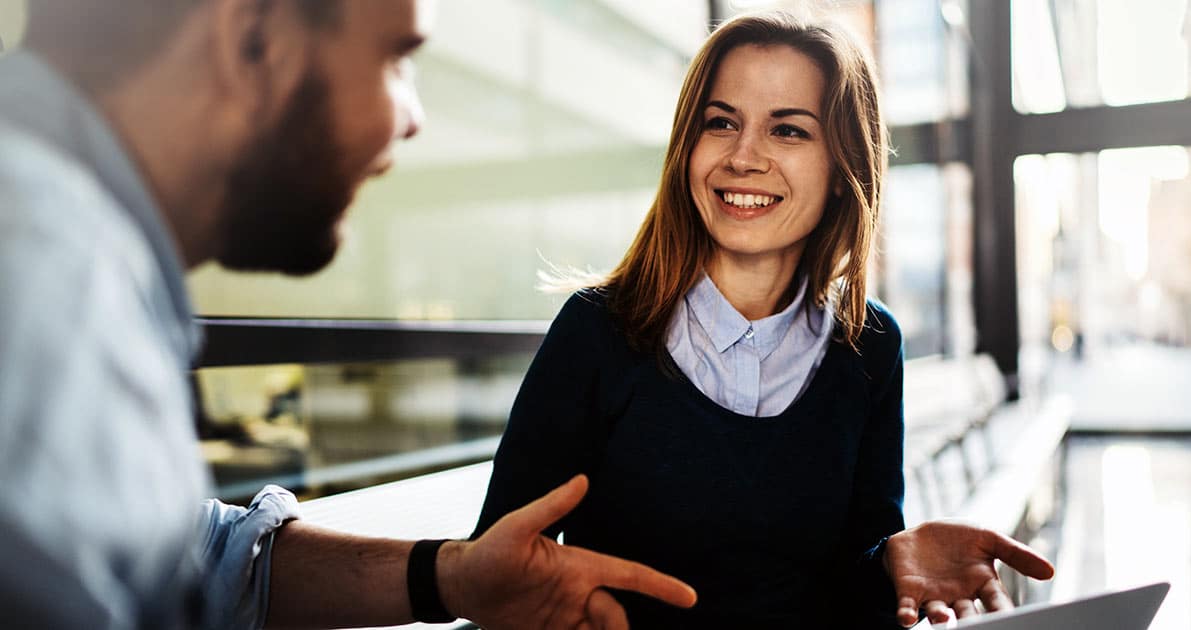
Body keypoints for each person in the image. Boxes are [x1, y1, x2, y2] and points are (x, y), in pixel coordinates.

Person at [0, 1, 699, 628]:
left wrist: (451, 577)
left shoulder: (79, 257)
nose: (414, 117)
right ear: (252, 41)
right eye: (397, 58)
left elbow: (188, 553)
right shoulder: (51, 289)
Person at [472, 10, 1054, 629]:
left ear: (842, 169)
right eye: (720, 123)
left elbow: (848, 587)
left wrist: (890, 564)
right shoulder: (596, 331)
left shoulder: (870, 345)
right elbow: (501, 581)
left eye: (788, 131)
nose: (743, 157)